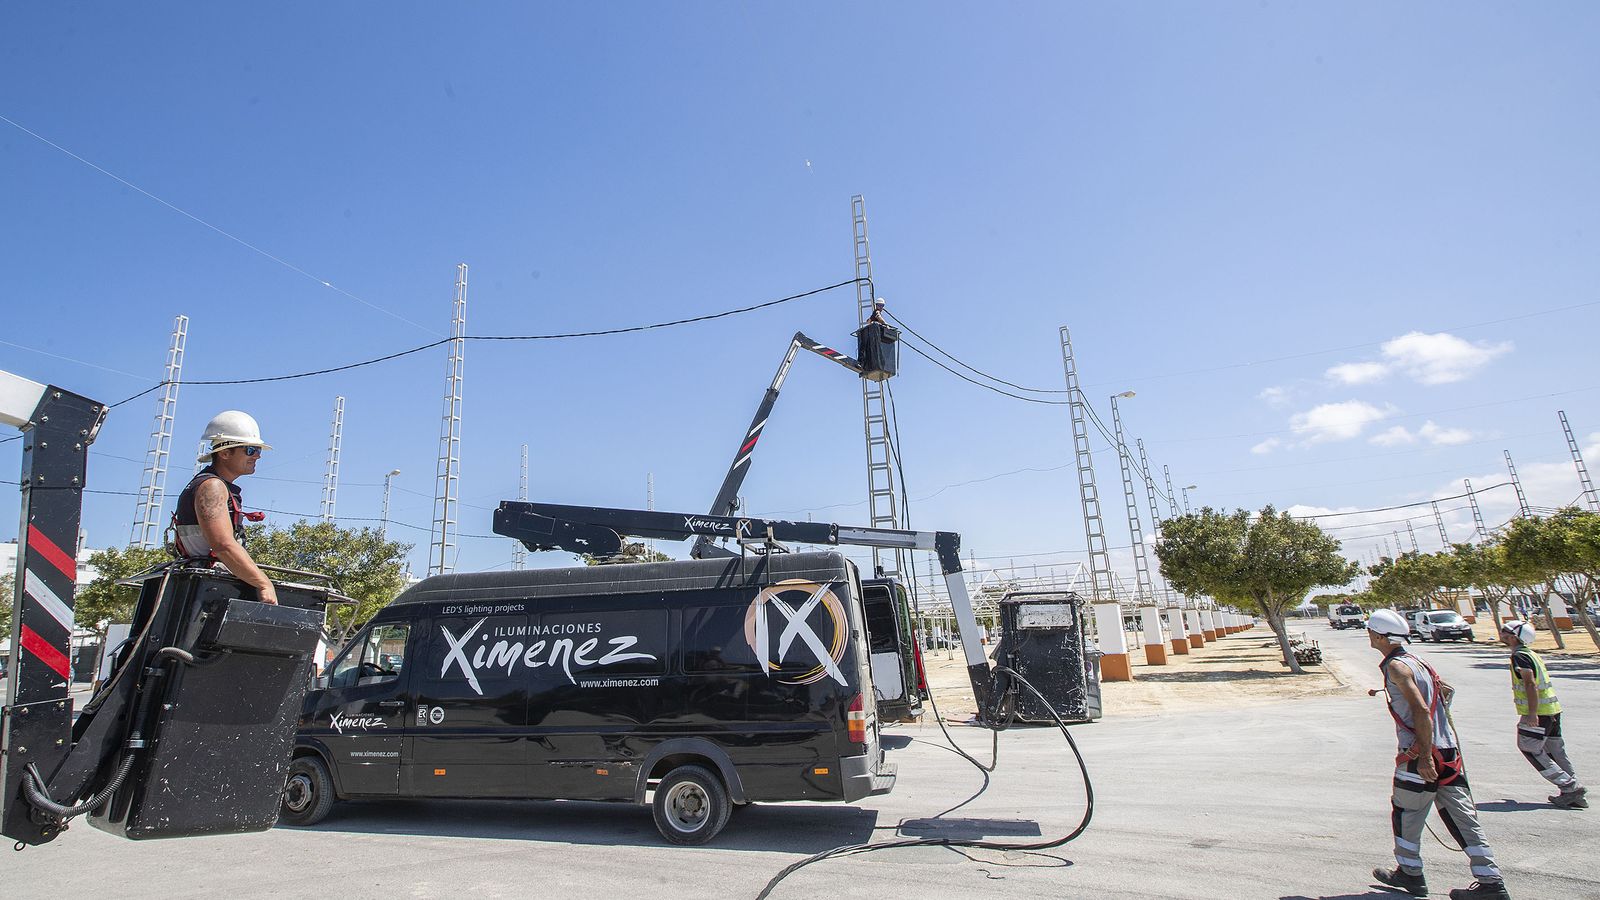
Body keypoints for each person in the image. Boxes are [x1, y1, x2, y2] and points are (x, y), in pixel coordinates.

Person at [1365, 609, 1509, 900]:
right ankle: (1491, 881)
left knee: (1407, 813)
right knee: (1463, 818)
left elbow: (1420, 709)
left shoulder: (1396, 667)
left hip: (1421, 754)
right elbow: (1446, 692)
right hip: (1448, 753)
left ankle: (1410, 872)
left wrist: (1424, 755)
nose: (1368, 635)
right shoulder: (1418, 662)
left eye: (1370, 631)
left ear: (1380, 636)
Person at [169, 410, 277, 605]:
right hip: (207, 592)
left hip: (205, 586)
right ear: (225, 453)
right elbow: (223, 545)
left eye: (258, 450)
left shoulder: (211, 485)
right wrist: (263, 583)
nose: (257, 456)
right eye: (250, 450)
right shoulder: (212, 487)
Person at [1498, 619, 1586, 809]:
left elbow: (1530, 684)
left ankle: (1569, 786)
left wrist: (1532, 714)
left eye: (1505, 631)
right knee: (1555, 752)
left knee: (1529, 748)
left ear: (1514, 637)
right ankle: (1573, 793)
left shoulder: (1520, 656)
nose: (1501, 633)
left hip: (1539, 713)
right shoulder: (1531, 654)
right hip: (1552, 711)